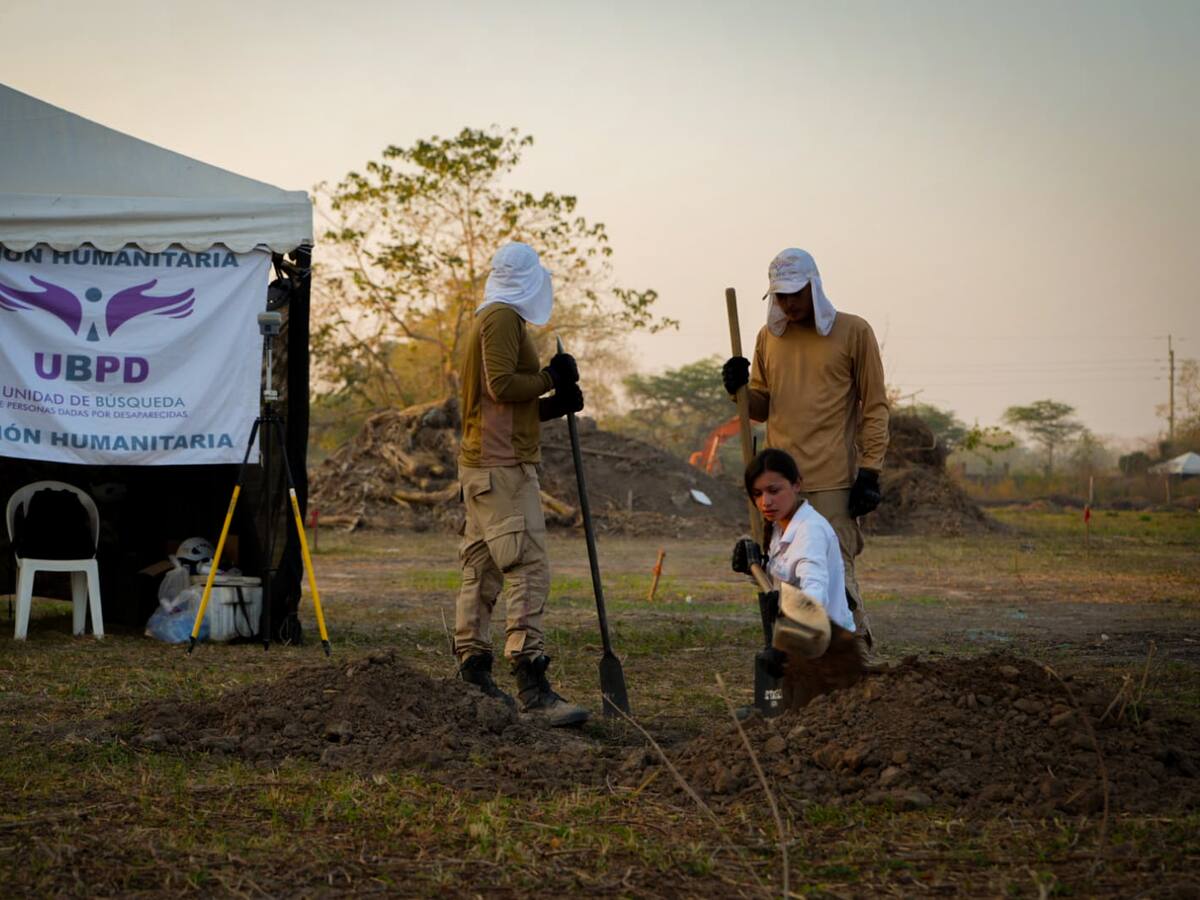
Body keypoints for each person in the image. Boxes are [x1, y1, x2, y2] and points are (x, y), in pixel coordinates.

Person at [723, 248, 889, 645]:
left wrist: (870, 470)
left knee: (835, 579)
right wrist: (738, 389)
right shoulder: (769, 338)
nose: (789, 303)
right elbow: (760, 409)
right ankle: (805, 675)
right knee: (786, 581)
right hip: (780, 484)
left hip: (832, 482)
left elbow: (876, 405)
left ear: (814, 286)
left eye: (796, 293)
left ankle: (855, 665)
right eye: (780, 296)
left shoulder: (854, 332)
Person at [454, 241, 589, 727]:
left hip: (487, 464)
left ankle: (473, 675)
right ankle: (533, 687)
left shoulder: (491, 317)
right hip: (502, 468)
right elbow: (502, 386)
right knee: (528, 565)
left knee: (484, 568)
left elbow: (506, 405)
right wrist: (551, 376)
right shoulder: (502, 318)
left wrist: (556, 402)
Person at [732, 448, 866, 709]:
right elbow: (782, 580)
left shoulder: (810, 531)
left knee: (808, 719)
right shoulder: (779, 527)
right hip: (804, 642)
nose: (765, 502)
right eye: (757, 494)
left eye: (774, 490)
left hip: (826, 648)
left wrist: (786, 647)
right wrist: (754, 567)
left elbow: (814, 590)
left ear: (797, 485)